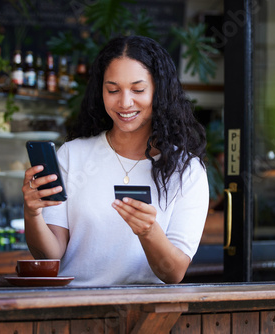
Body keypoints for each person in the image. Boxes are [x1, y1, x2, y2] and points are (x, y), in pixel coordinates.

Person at [22, 35, 209, 286]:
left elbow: (173, 273)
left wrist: (148, 231)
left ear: (159, 92)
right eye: (113, 90)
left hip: (146, 316)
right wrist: (32, 213)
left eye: (138, 89)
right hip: (73, 310)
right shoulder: (72, 155)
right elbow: (49, 255)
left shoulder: (187, 171)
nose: (124, 102)